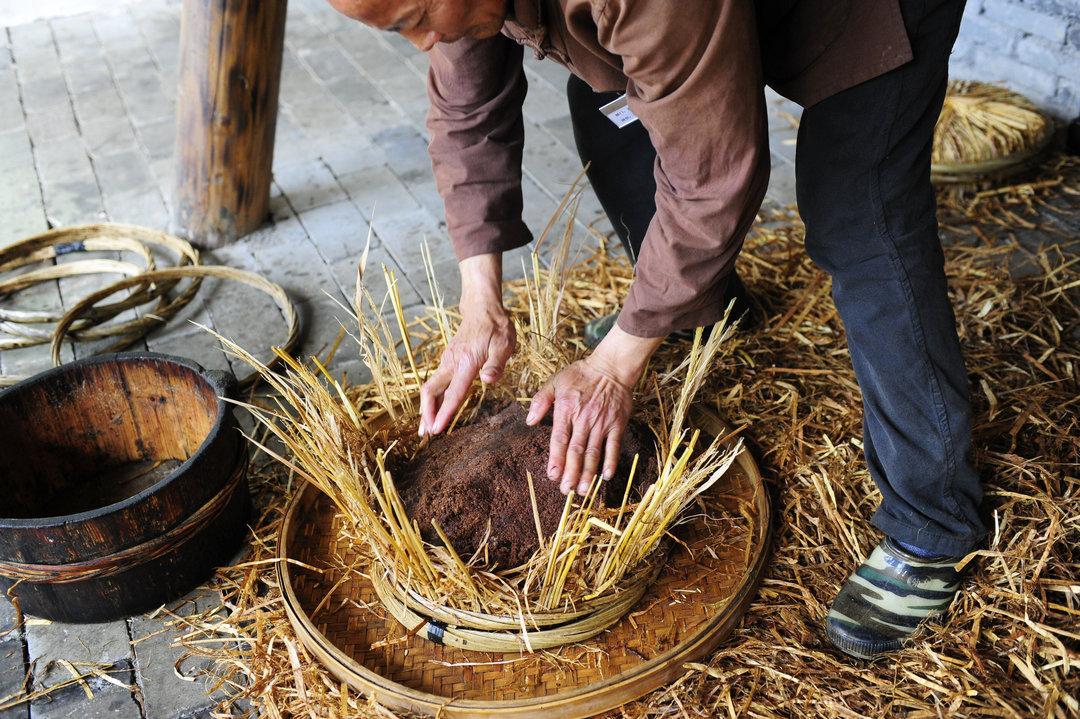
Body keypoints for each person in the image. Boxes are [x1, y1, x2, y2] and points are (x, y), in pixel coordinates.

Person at [328, 0, 986, 660]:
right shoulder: (455, 9)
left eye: (415, 16)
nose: (421, 41)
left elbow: (714, 172)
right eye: (396, 29)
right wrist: (480, 306)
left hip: (863, 10)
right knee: (612, 123)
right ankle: (701, 302)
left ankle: (933, 524)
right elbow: (467, 112)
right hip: (699, 24)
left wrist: (615, 363)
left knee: (858, 216)